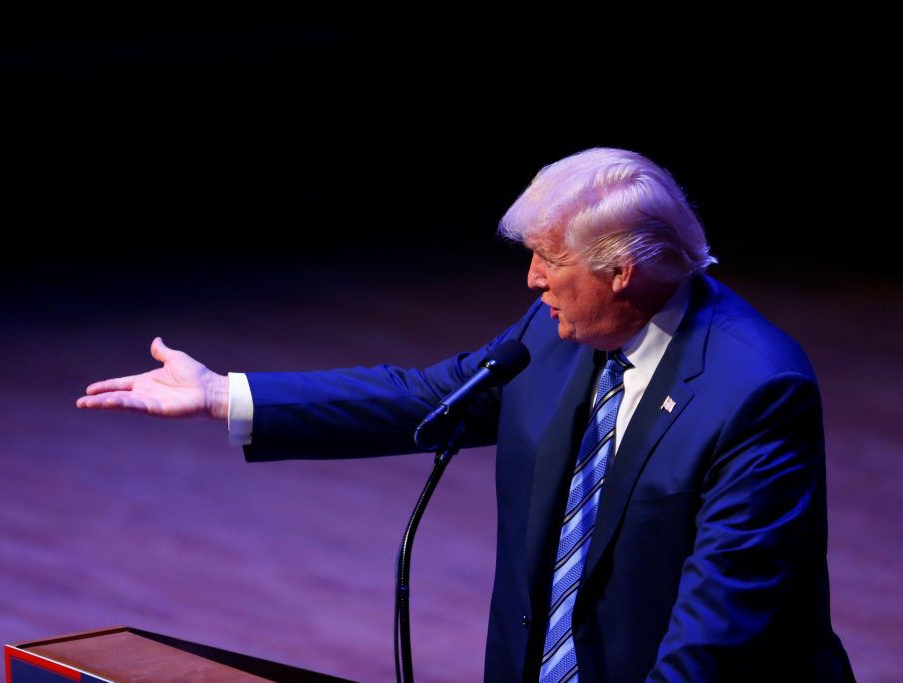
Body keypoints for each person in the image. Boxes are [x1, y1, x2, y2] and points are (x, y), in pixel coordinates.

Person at [77, 148, 855, 682]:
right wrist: (223, 395)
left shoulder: (755, 390)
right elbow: (424, 397)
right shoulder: (556, 335)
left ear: (621, 272)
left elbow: (719, 626)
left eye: (548, 258)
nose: (530, 279)